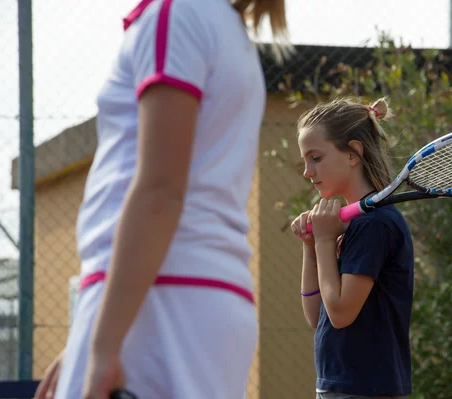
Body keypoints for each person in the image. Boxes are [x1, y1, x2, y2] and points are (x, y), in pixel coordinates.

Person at [35, 0, 288, 398]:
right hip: (184, 301)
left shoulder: (176, 14)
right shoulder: (222, 25)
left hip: (159, 303)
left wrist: (104, 346)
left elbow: (160, 190)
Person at [291, 98, 415, 399]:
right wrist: (311, 247)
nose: (308, 171)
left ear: (353, 153)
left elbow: (341, 313)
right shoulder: (352, 225)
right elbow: (317, 315)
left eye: (316, 157)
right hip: (338, 386)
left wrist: (323, 241)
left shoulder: (375, 225)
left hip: (366, 390)